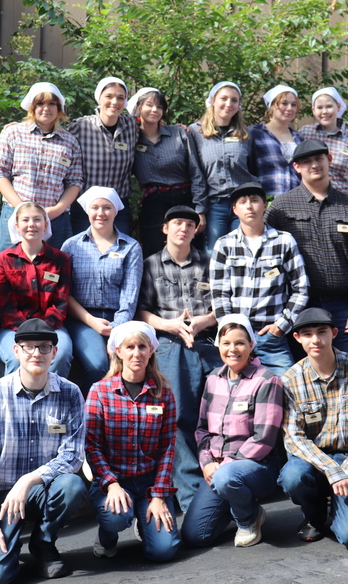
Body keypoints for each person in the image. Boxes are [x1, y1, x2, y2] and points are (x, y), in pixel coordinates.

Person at [0, 318, 86, 583]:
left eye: (44, 347)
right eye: (29, 346)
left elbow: (73, 455)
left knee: (72, 485)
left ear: (55, 352)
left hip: (43, 490)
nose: (36, 353)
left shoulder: (70, 393)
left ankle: (43, 544)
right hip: (1, 500)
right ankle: (7, 546)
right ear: (16, 351)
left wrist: (29, 479)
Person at [279, 308, 348, 551]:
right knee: (292, 476)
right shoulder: (290, 381)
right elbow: (295, 438)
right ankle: (315, 515)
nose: (315, 340)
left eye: (322, 332)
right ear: (298, 339)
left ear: (334, 333)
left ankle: (345, 511)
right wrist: (330, 470)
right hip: (314, 462)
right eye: (307, 334)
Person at [137, 205, 218, 511]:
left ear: (196, 230)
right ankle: (190, 493)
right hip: (169, 342)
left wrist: (202, 321)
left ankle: (222, 481)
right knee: (179, 415)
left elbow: (222, 306)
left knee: (217, 414)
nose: (183, 228)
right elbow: (141, 310)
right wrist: (169, 325)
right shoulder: (150, 264)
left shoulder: (209, 262)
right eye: (177, 223)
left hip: (208, 341)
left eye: (189, 224)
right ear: (165, 229)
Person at [181, 315, 284, 549]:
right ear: (218, 345)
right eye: (226, 343)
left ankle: (248, 519)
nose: (233, 349)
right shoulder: (212, 379)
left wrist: (226, 464)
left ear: (251, 345)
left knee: (227, 478)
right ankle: (240, 503)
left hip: (256, 466)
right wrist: (207, 462)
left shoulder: (267, 380)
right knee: (195, 536)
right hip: (218, 469)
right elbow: (202, 429)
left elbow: (264, 438)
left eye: (240, 343)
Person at [266, 139, 348, 357]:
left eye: (319, 159)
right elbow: (264, 256)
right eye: (306, 161)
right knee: (301, 377)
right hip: (299, 309)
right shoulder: (280, 208)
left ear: (329, 160)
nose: (314, 165)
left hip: (345, 309)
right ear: (297, 167)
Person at [84, 321, 181, 562]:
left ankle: (145, 519)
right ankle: (107, 536)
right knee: (115, 516)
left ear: (151, 350)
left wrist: (159, 495)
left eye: (142, 347)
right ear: (118, 351)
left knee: (164, 552)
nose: (136, 353)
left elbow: (168, 449)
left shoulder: (163, 393)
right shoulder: (100, 391)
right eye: (130, 347)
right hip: (115, 481)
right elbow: (91, 446)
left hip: (149, 482)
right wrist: (112, 484)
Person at [210, 181, 310, 376]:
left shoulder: (284, 241)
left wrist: (281, 326)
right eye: (243, 202)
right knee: (235, 395)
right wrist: (230, 330)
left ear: (265, 205)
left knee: (287, 389)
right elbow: (219, 294)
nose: (249, 206)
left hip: (271, 337)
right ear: (234, 209)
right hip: (236, 340)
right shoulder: (224, 245)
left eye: (255, 201)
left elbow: (301, 288)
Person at [62, 186, 143, 391]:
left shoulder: (131, 247)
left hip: (121, 318)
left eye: (107, 207)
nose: (101, 213)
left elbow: (130, 295)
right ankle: (91, 416)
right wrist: (92, 322)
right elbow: (65, 293)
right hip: (83, 319)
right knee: (98, 364)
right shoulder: (71, 246)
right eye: (95, 207)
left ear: (115, 211)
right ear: (87, 211)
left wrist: (116, 330)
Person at [0, 82, 83, 252]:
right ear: (31, 107)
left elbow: (75, 182)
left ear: (59, 108)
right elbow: (0, 173)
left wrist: (57, 210)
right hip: (16, 214)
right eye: (40, 103)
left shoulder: (70, 142)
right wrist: (21, 208)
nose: (46, 108)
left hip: (55, 218)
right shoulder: (13, 133)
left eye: (51, 104)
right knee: (12, 267)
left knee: (54, 272)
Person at [0, 202, 74, 376]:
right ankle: (13, 401)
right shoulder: (3, 259)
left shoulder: (60, 259)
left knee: (60, 356)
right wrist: (27, 332)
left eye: (37, 220)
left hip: (53, 327)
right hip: (13, 328)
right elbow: (5, 305)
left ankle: (53, 400)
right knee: (17, 358)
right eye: (25, 220)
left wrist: (43, 331)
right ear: (17, 226)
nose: (31, 224)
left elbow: (60, 302)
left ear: (46, 225)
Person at [130, 87, 207, 257]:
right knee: (153, 251)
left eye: (159, 107)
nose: (154, 110)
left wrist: (200, 209)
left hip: (185, 197)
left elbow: (196, 173)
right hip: (154, 201)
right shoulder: (131, 138)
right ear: (138, 108)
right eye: (149, 105)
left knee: (191, 250)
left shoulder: (178, 133)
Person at [188, 81, 257, 255]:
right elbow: (196, 174)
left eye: (234, 100)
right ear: (212, 100)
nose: (229, 104)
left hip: (242, 203)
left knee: (242, 252)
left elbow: (254, 170)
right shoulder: (195, 132)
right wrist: (200, 210)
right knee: (214, 253)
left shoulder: (246, 135)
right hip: (214, 205)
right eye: (223, 98)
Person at [67, 76, 137, 235]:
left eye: (121, 98)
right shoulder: (81, 126)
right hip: (85, 207)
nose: (115, 102)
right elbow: (54, 133)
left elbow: (152, 124)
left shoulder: (131, 125)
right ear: (99, 98)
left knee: (119, 251)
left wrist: (177, 129)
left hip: (118, 206)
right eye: (109, 96)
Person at [299, 87, 348, 204]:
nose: (324, 112)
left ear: (338, 107)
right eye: (319, 107)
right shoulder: (305, 134)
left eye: (329, 106)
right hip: (310, 202)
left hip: (343, 202)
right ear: (313, 110)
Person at [250, 84, 305, 197]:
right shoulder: (255, 134)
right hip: (266, 203)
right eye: (284, 103)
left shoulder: (299, 138)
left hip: (297, 204)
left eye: (293, 105)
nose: (289, 108)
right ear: (271, 106)